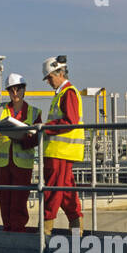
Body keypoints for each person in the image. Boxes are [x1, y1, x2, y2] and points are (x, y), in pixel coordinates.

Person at [0, 73, 42, 231]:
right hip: (3, 163)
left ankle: (18, 230)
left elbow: (38, 139)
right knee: (5, 199)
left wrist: (23, 138)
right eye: (11, 90)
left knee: (19, 200)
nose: (15, 93)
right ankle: (7, 229)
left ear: (24, 89)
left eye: (18, 89)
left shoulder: (34, 112)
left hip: (22, 163)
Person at [40, 54, 84, 235]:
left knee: (52, 191)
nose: (49, 82)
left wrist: (44, 127)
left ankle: (46, 231)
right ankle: (76, 228)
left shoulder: (68, 93)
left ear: (60, 73)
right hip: (61, 152)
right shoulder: (63, 94)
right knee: (66, 192)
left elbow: (70, 121)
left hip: (61, 152)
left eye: (50, 78)